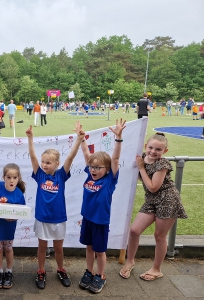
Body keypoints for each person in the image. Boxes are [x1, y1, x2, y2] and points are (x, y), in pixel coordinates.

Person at [119, 133, 188, 282]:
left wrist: (141, 168)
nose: (153, 151)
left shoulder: (162, 165)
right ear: (145, 147)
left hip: (167, 200)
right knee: (134, 230)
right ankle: (130, 261)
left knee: (159, 235)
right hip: (151, 201)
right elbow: (139, 176)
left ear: (165, 151)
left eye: (158, 149)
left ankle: (157, 269)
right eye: (151, 147)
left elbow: (153, 187)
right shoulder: (142, 158)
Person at [26, 123, 84, 290]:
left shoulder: (61, 175)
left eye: (49, 162)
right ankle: (41, 270)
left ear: (57, 164)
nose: (45, 165)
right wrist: (30, 138)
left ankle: (60, 269)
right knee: (42, 246)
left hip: (58, 218)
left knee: (59, 248)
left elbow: (70, 158)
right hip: (42, 218)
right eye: (44, 161)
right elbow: (32, 157)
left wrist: (79, 140)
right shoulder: (40, 175)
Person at [77, 119, 126, 294]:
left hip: (100, 222)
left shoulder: (109, 180)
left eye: (98, 167)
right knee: (89, 248)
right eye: (92, 167)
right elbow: (85, 154)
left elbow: (116, 158)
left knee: (99, 251)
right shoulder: (90, 177)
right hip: (87, 219)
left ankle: (101, 275)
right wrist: (82, 138)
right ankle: (89, 272)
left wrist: (118, 138)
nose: (94, 170)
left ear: (106, 169)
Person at [0, 163, 26, 289]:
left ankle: (9, 272)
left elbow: (22, 211)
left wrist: (14, 217)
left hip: (9, 227)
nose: (11, 180)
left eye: (14, 178)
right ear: (4, 177)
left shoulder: (19, 193)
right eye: (8, 177)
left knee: (8, 249)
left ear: (18, 178)